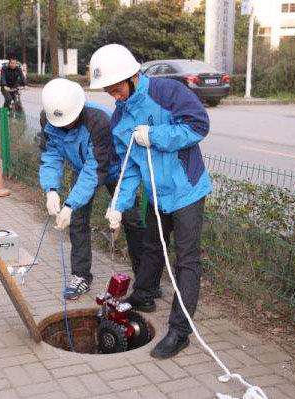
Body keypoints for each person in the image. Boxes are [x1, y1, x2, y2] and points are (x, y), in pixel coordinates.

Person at [90, 44, 211, 359]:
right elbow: (129, 169)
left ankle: (179, 332)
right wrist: (118, 204)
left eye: (116, 89)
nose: (114, 96)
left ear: (132, 76)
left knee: (186, 261)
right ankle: (143, 295)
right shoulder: (119, 119)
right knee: (152, 247)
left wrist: (155, 135)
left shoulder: (167, 92)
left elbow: (199, 126)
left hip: (186, 189)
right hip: (156, 193)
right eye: (108, 91)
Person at [39, 78, 145, 300]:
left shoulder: (98, 120)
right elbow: (51, 155)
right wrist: (50, 189)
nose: (65, 126)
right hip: (83, 167)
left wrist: (70, 203)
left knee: (132, 220)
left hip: (114, 169)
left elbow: (95, 168)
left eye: (69, 122)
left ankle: (144, 280)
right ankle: (81, 276)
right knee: (77, 220)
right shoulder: (50, 118)